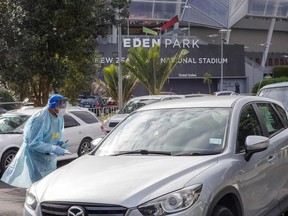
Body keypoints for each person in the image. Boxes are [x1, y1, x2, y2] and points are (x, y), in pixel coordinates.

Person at [1, 94, 68, 188]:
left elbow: (56, 134)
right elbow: (34, 143)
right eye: (62, 107)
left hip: (49, 158)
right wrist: (53, 148)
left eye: (65, 106)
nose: (64, 109)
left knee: (49, 185)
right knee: (38, 187)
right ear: (53, 106)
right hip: (36, 158)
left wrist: (60, 143)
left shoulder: (59, 116)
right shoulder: (40, 119)